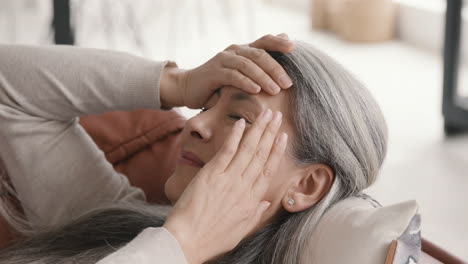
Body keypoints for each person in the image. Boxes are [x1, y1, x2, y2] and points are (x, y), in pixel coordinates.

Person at [0, 35, 388, 264]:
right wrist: (179, 83)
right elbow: (8, 88)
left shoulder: (168, 245)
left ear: (306, 186)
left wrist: (182, 244)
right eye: (205, 104)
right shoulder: (123, 226)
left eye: (239, 119)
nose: (194, 123)